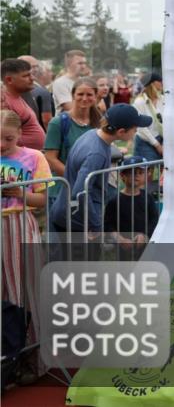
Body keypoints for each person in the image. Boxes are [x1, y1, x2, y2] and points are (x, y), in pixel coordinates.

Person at [48, 104, 151, 235]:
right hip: (77, 222)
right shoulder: (97, 153)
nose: (136, 131)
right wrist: (95, 224)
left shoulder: (92, 134)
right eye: (135, 128)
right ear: (121, 132)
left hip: (70, 214)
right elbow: (80, 193)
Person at [0, 110, 53, 369]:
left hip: (19, 225)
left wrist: (20, 193)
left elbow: (42, 199)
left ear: (20, 134)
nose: (1, 145)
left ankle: (30, 354)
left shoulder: (34, 157)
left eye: (8, 139)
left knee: (25, 287)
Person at [43, 77, 103, 201]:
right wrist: (77, 178)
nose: (85, 98)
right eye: (80, 94)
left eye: (89, 94)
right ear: (73, 95)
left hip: (90, 190)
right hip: (62, 190)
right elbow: (50, 158)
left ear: (96, 96)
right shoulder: (58, 122)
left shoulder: (99, 122)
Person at [104, 155, 160, 255]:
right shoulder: (114, 201)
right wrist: (120, 240)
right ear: (122, 175)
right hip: (124, 248)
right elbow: (108, 225)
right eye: (132, 172)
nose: (136, 176)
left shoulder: (148, 198)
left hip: (145, 247)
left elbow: (154, 220)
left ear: (147, 174)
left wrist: (144, 235)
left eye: (140, 172)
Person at [1, 59, 46, 150]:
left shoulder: (17, 96)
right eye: (26, 76)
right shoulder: (4, 102)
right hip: (17, 161)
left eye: (31, 74)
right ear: (9, 80)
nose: (32, 78)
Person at [132, 72, 164, 161]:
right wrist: (157, 145)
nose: (162, 83)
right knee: (147, 172)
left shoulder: (163, 99)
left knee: (164, 171)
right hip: (145, 141)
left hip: (162, 139)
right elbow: (141, 128)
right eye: (160, 81)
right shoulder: (139, 102)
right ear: (152, 83)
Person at [18, 56, 54, 130]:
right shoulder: (42, 92)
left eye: (37, 66)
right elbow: (47, 121)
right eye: (33, 67)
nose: (36, 69)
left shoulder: (12, 90)